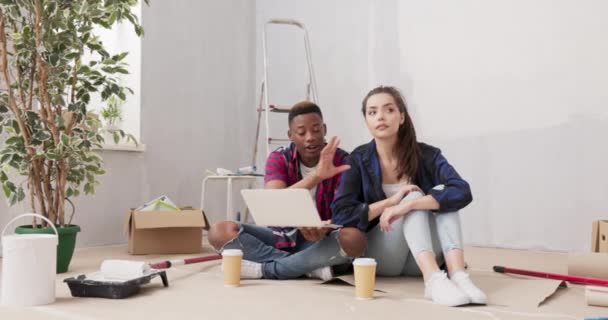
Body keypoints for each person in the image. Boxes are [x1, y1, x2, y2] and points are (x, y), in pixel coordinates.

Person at [331, 86, 486, 306]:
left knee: (442, 197)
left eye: (389, 110)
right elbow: (341, 214)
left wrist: (407, 207)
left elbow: (462, 190)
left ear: (402, 116)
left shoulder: (428, 155)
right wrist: (393, 203)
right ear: (366, 121)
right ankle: (433, 280)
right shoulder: (357, 160)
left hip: (420, 258)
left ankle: (459, 276)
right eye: (372, 112)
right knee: (415, 198)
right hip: (384, 256)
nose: (380, 117)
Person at [208, 101, 366, 280]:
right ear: (290, 135)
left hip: (320, 241)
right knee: (219, 231)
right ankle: (305, 267)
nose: (310, 137)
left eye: (316, 130)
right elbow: (273, 201)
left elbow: (345, 212)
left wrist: (326, 228)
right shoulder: (279, 157)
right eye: (301, 132)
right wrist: (317, 176)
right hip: (281, 237)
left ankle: (265, 270)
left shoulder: (343, 161)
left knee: (354, 239)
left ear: (324, 129)